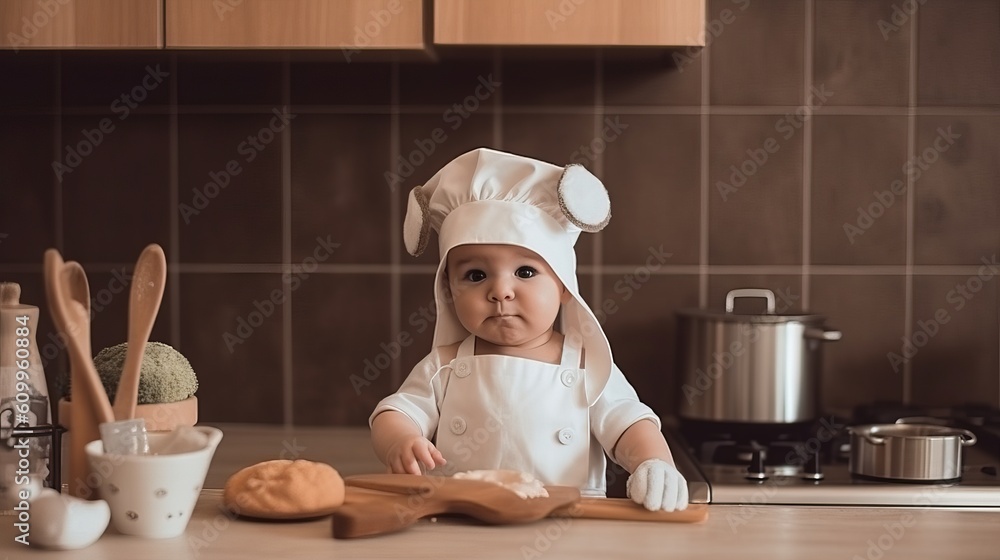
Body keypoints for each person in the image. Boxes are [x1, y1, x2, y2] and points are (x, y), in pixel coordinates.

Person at [369, 148, 688, 512]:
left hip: (568, 529)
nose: (500, 290)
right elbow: (394, 414)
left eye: (525, 272)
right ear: (448, 291)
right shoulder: (443, 365)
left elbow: (630, 423)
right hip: (462, 525)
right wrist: (400, 441)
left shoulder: (586, 367)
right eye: (475, 275)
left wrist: (653, 463)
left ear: (565, 286)